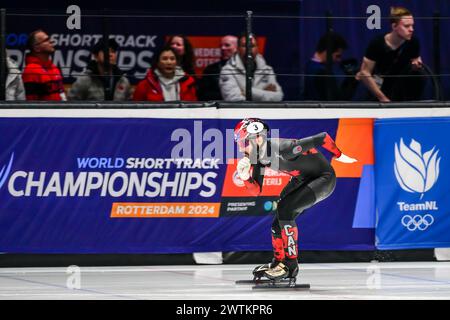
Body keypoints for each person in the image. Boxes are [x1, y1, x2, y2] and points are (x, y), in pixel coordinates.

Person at [234, 118, 356, 281]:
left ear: (258, 138)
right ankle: (278, 262)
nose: (241, 148)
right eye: (239, 144)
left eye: (243, 143)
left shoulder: (285, 149)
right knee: (279, 218)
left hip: (323, 178)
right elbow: (256, 191)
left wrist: (339, 155)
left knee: (286, 209)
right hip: (302, 179)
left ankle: (291, 267)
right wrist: (245, 177)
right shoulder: (259, 157)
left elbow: (322, 137)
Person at [356, 6, 425, 102]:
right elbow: (364, 72)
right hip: (379, 87)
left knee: (421, 75)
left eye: (412, 25)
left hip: (400, 85)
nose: (411, 29)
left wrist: (416, 66)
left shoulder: (413, 42)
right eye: (406, 26)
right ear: (394, 26)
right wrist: (383, 99)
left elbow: (415, 64)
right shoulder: (377, 43)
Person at [220, 34, 283, 102]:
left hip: (264, 112)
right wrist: (264, 92)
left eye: (252, 46)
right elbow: (232, 98)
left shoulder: (267, 70)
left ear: (257, 48)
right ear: (238, 49)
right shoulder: (227, 70)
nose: (248, 49)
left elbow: (278, 96)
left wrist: (245, 92)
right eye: (244, 46)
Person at [303, 32, 358, 100]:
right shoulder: (323, 73)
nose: (339, 60)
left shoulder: (309, 66)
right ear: (327, 51)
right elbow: (338, 102)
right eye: (337, 56)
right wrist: (353, 80)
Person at [133, 45, 197, 101]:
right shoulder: (144, 85)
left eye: (172, 59)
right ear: (157, 63)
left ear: (176, 62)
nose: (169, 62)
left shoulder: (188, 83)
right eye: (164, 59)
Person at [22, 29, 66, 101]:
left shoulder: (54, 68)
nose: (51, 41)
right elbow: (30, 103)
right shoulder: (31, 71)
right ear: (37, 48)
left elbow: (62, 94)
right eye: (46, 40)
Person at [197, 35, 238, 101]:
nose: (223, 48)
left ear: (237, 47)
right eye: (221, 45)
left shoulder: (245, 67)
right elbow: (203, 94)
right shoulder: (210, 69)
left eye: (227, 45)